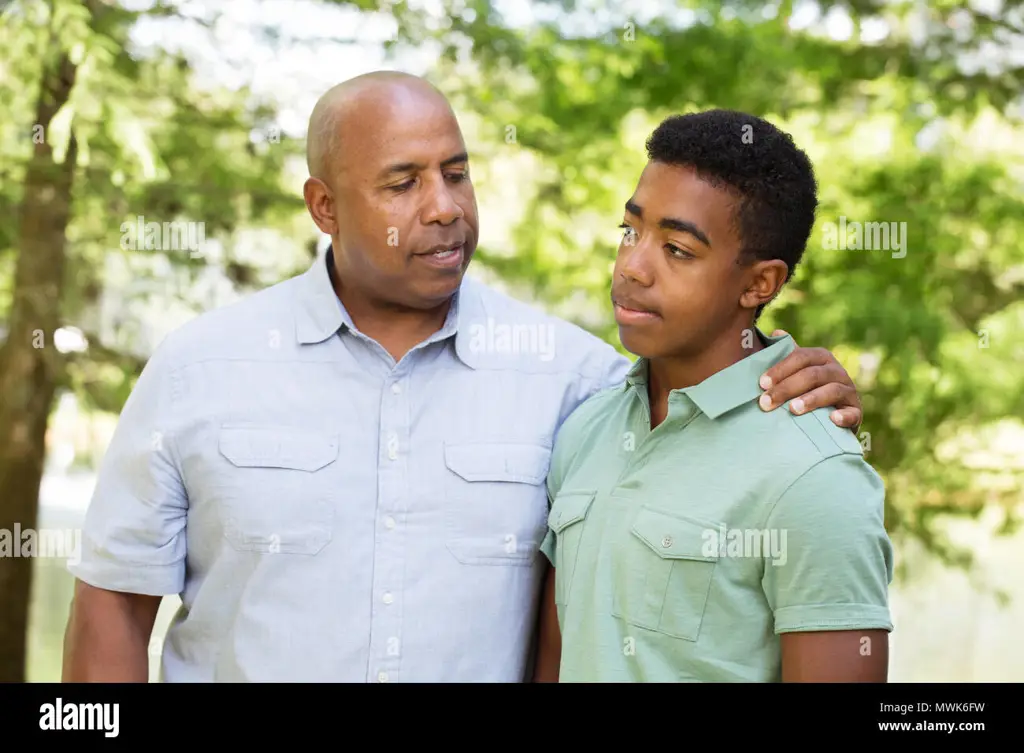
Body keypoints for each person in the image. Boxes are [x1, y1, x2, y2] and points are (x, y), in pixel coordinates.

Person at [62, 72, 867, 683]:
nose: (445, 206)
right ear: (325, 206)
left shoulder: (577, 382)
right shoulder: (200, 367)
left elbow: (713, 406)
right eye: (403, 182)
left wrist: (798, 376)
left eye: (457, 172)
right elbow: (112, 604)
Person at [533, 109, 894, 683]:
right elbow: (557, 657)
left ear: (758, 284)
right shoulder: (587, 428)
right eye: (630, 230)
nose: (632, 265)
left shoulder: (814, 474)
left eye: (677, 249)